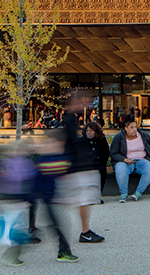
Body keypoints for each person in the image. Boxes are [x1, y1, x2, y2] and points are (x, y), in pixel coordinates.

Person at [59, 94, 105, 244]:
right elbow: (70, 141)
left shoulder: (73, 122)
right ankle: (83, 233)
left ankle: (85, 231)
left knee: (85, 201)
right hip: (78, 170)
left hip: (82, 168)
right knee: (82, 200)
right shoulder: (69, 123)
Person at [33, 131, 79, 262]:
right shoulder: (42, 161)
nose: (47, 146)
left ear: (60, 144)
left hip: (57, 200)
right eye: (46, 143)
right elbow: (36, 181)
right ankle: (63, 252)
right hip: (47, 199)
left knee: (60, 226)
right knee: (56, 226)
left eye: (51, 143)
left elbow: (68, 176)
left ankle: (63, 251)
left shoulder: (64, 159)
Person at [0, 139, 37, 266]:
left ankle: (10, 245)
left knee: (15, 222)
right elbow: (19, 177)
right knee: (13, 224)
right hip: (13, 196)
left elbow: (30, 178)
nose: (17, 152)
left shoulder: (23, 162)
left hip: (19, 196)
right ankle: (9, 251)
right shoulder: (11, 162)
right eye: (15, 150)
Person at [110, 115, 150, 202]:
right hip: (125, 161)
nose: (134, 129)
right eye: (131, 127)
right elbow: (113, 153)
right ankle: (123, 194)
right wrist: (125, 159)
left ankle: (138, 193)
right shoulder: (118, 137)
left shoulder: (143, 135)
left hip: (141, 160)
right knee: (120, 169)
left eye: (135, 127)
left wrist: (148, 156)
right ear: (125, 128)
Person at [84, 122, 110, 203]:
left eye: (91, 131)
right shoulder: (82, 141)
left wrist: (100, 161)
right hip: (86, 164)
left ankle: (97, 196)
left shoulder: (101, 140)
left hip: (99, 163)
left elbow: (106, 153)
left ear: (96, 132)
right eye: (87, 131)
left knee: (102, 170)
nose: (89, 133)